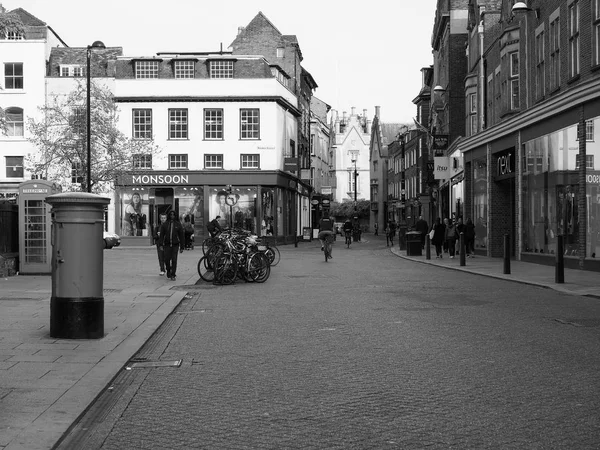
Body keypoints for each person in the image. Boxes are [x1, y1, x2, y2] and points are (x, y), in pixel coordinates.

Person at [158, 210, 184, 281]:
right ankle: (168, 270)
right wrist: (160, 244)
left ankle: (173, 274)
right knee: (167, 259)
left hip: (175, 245)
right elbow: (162, 235)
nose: (172, 216)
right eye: (171, 215)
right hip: (167, 245)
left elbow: (181, 236)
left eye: (173, 215)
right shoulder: (165, 224)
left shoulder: (178, 224)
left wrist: (182, 246)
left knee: (174, 260)